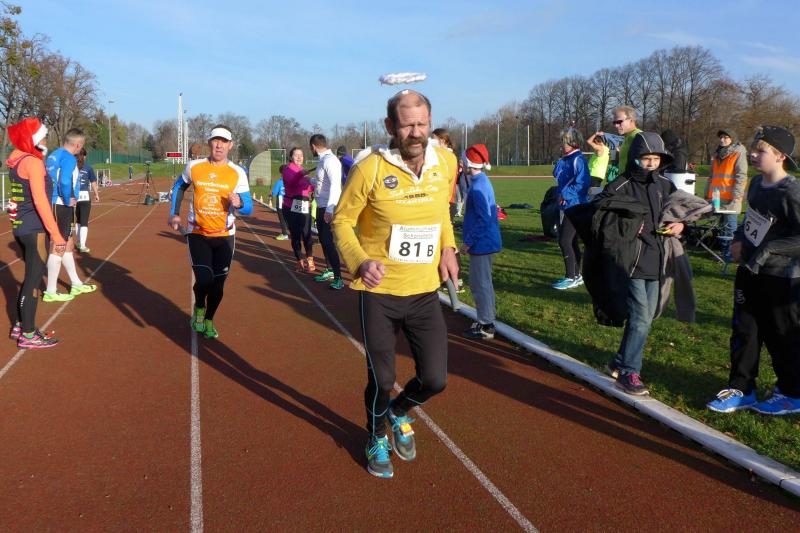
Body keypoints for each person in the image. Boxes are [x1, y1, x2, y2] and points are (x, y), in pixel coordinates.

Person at [332, 89, 459, 478]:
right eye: (407, 125)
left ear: (430, 121)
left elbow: (441, 214)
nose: (416, 133)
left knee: (435, 379)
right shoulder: (369, 169)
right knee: (382, 378)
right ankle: (376, 436)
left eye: (422, 124)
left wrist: (448, 247)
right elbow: (341, 221)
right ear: (390, 126)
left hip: (423, 292)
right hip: (380, 294)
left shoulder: (446, 161)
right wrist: (360, 261)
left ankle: (399, 410)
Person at [706, 126, 800, 415]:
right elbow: (752, 219)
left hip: (781, 276)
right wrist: (738, 239)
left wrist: (767, 251)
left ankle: (792, 392)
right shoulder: (757, 184)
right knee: (744, 330)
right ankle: (742, 389)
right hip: (750, 272)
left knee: (781, 335)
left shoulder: (792, 192)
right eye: (754, 149)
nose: (753, 154)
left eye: (761, 151)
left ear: (780, 156)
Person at [594, 132, 684, 395]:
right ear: (635, 157)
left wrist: (680, 225)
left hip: (657, 258)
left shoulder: (665, 185)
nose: (651, 163)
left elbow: (677, 210)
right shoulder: (621, 183)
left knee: (648, 316)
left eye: (656, 158)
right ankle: (629, 372)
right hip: (631, 260)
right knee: (640, 317)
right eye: (646, 158)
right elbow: (599, 208)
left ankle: (618, 361)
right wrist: (629, 223)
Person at [169, 125, 253, 339]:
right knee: (205, 279)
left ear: (230, 145)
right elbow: (179, 187)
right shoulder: (194, 167)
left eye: (224, 141)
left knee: (218, 285)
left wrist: (240, 203)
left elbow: (248, 208)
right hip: (198, 234)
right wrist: (174, 214)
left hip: (225, 236)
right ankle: (199, 306)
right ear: (209, 143)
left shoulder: (238, 172)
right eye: (216, 140)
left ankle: (209, 318)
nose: (219, 145)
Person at [6, 118, 65, 348]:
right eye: (44, 137)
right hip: (34, 228)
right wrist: (56, 235)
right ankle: (29, 335)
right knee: (33, 281)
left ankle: (21, 325)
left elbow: (17, 198)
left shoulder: (16, 159)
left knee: (29, 278)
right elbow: (40, 202)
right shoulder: (33, 163)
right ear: (33, 139)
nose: (47, 141)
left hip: (21, 227)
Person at [44, 128, 96, 302]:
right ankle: (51, 290)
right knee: (59, 245)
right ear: (78, 145)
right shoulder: (68, 158)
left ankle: (75, 283)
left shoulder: (54, 155)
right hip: (61, 205)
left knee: (68, 243)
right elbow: (65, 180)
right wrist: (68, 199)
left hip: (54, 203)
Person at [460, 144, 502, 339]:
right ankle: (487, 320)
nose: (461, 164)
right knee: (483, 283)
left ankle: (486, 325)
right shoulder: (480, 181)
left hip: (482, 243)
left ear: (470, 164)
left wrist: (468, 242)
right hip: (484, 242)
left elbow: (484, 219)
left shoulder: (478, 186)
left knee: (480, 284)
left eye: (463, 161)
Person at [552, 127, 590, 290]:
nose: (562, 145)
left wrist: (565, 194)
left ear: (573, 143)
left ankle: (570, 277)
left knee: (564, 240)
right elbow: (556, 174)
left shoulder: (578, 160)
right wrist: (561, 159)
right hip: (567, 205)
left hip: (576, 206)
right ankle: (577, 275)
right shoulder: (567, 159)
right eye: (562, 142)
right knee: (571, 240)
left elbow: (583, 184)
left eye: (565, 142)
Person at [703, 128, 748, 264]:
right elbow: (712, 176)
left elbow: (741, 175)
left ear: (732, 139)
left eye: (726, 137)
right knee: (722, 227)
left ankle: (730, 255)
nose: (722, 140)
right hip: (717, 197)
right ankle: (724, 252)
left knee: (730, 228)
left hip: (730, 198)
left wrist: (737, 195)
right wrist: (707, 192)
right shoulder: (717, 154)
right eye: (721, 137)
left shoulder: (738, 153)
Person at [309, 134, 344, 289]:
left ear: (313, 147)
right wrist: (309, 180)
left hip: (328, 208)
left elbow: (336, 186)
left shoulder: (330, 161)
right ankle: (329, 270)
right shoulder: (323, 160)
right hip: (320, 206)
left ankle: (338, 278)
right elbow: (322, 182)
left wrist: (330, 209)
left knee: (329, 242)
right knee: (323, 240)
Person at [282, 147, 315, 272]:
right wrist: (300, 175)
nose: (299, 157)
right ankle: (300, 260)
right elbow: (291, 183)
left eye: (301, 155)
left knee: (307, 233)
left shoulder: (303, 170)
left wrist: (315, 185)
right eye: (296, 155)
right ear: (291, 157)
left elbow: (307, 187)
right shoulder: (288, 170)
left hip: (304, 205)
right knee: (295, 234)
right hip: (290, 206)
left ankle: (310, 258)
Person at [74, 148, 100, 253]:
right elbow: (93, 182)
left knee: (78, 220)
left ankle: (78, 241)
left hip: (74, 196)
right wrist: (96, 194)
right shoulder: (88, 167)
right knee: (84, 221)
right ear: (84, 156)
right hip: (85, 196)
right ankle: (83, 245)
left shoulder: (72, 166)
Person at [609, 106, 642, 179]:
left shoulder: (638, 136)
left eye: (619, 122)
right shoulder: (627, 137)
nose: (616, 125)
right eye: (614, 122)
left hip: (632, 182)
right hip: (625, 181)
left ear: (631, 120)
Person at [268, 171, 289, 240]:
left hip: (281, 203)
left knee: (282, 219)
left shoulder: (279, 182)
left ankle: (285, 234)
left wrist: (270, 194)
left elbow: (274, 193)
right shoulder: (290, 181)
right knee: (288, 218)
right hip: (289, 202)